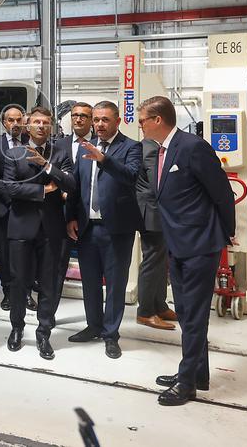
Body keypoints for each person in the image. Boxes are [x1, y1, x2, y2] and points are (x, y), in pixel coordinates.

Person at [138, 96, 236, 406]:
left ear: (157, 120)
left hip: (200, 244)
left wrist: (228, 231)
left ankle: (187, 384)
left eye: (142, 120)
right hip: (178, 244)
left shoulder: (192, 147)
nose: (139, 126)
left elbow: (222, 193)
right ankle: (197, 374)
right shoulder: (162, 150)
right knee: (186, 313)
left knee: (193, 316)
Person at [67, 101, 142, 360]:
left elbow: (131, 176)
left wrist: (104, 160)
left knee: (115, 284)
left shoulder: (131, 147)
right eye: (96, 119)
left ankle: (111, 335)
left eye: (105, 120)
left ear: (117, 121)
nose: (99, 124)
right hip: (87, 228)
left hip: (117, 229)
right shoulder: (85, 147)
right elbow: (76, 185)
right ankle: (94, 326)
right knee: (89, 282)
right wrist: (70, 217)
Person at [2, 106, 75, 359]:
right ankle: (16, 328)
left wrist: (46, 165)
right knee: (18, 281)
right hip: (21, 226)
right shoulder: (14, 153)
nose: (41, 126)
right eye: (36, 122)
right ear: (27, 126)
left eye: (45, 122)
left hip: (51, 229)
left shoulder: (60, 153)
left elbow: (70, 184)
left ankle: (44, 332)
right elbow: (11, 188)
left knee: (49, 283)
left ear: (51, 126)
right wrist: (44, 191)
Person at [0, 104, 31, 311]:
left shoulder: (31, 143)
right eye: (11, 120)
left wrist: (24, 197)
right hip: (4, 208)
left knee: (28, 253)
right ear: (4, 122)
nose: (15, 123)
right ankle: (9, 292)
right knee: (5, 253)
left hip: (29, 208)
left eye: (19, 119)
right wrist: (12, 198)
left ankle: (26, 293)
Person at [51, 102, 93, 301]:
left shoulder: (100, 145)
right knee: (58, 265)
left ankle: (93, 313)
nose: (78, 119)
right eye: (75, 115)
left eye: (84, 115)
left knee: (92, 267)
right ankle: (50, 311)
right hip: (63, 213)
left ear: (91, 120)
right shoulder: (59, 145)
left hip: (91, 214)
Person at [135, 136, 177, 331]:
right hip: (152, 213)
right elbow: (159, 183)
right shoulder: (151, 148)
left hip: (154, 213)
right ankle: (145, 312)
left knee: (160, 260)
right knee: (152, 261)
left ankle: (160, 306)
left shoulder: (148, 146)